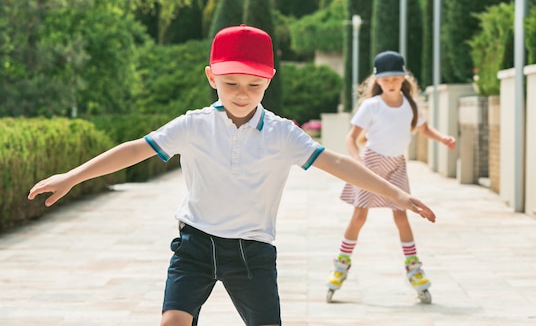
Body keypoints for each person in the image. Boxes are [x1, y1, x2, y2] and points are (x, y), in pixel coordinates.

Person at [28, 25, 437, 326]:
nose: (242, 93)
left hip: (252, 253)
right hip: (194, 245)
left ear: (269, 81)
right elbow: (135, 149)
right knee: (172, 321)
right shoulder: (193, 125)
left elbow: (337, 162)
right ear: (211, 77)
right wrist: (73, 176)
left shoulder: (281, 134)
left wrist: (397, 194)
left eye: (254, 85)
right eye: (230, 83)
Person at [325, 50, 455, 304]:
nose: (391, 83)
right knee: (359, 215)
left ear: (404, 78)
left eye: (396, 78)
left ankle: (414, 269)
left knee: (402, 214)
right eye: (386, 79)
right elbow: (351, 138)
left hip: (397, 165)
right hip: (371, 163)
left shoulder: (411, 106)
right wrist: (359, 165)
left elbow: (423, 128)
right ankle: (340, 267)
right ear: (377, 81)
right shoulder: (371, 106)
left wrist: (442, 138)